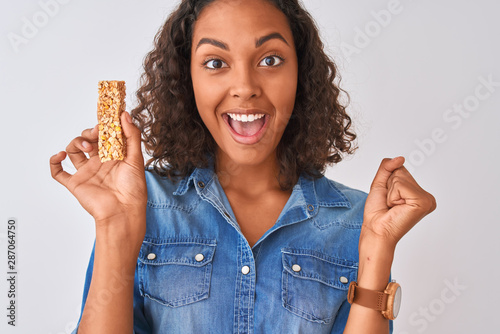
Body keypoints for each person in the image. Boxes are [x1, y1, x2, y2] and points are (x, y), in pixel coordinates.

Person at [49, 0, 436, 333]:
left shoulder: (358, 221)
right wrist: (116, 227)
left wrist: (377, 249)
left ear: (301, 74)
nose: (245, 86)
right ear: (188, 81)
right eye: (216, 62)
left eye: (270, 59)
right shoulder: (139, 205)